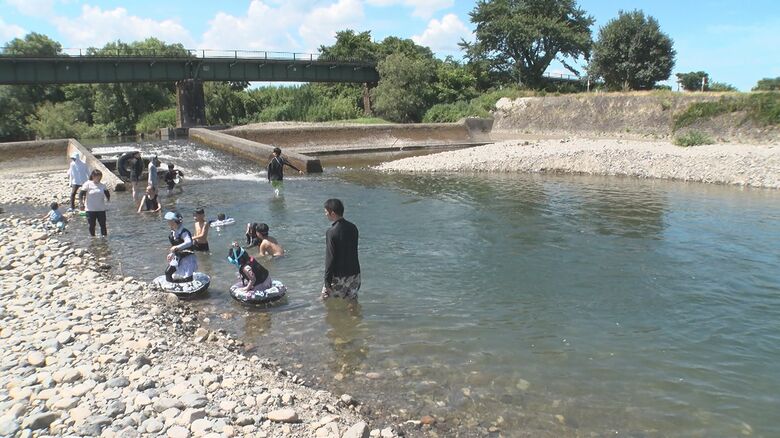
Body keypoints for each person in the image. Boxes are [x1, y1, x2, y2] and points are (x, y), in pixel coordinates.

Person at [322, 198, 361, 300]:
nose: (325, 214)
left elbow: (330, 259)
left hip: (338, 276)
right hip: (355, 274)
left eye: (326, 212)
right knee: (352, 303)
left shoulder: (331, 232)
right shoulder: (353, 227)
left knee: (325, 300)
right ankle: (354, 316)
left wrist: (327, 282)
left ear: (333, 213)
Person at [164, 211, 197, 282]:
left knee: (188, 278)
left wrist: (177, 247)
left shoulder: (184, 232)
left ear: (176, 222)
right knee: (168, 272)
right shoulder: (173, 232)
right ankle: (171, 286)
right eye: (169, 221)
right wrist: (171, 254)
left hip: (187, 257)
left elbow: (189, 242)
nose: (169, 223)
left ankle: (189, 290)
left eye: (171, 221)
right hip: (177, 256)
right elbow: (174, 246)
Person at [79, 169, 110, 237]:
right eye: (97, 177)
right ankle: (93, 237)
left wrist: (108, 201)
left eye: (100, 177)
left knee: (103, 225)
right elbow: (81, 194)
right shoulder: (88, 184)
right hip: (90, 209)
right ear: (93, 176)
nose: (99, 178)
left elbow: (107, 193)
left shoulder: (102, 185)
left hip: (101, 209)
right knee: (92, 225)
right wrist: (81, 203)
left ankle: (104, 239)